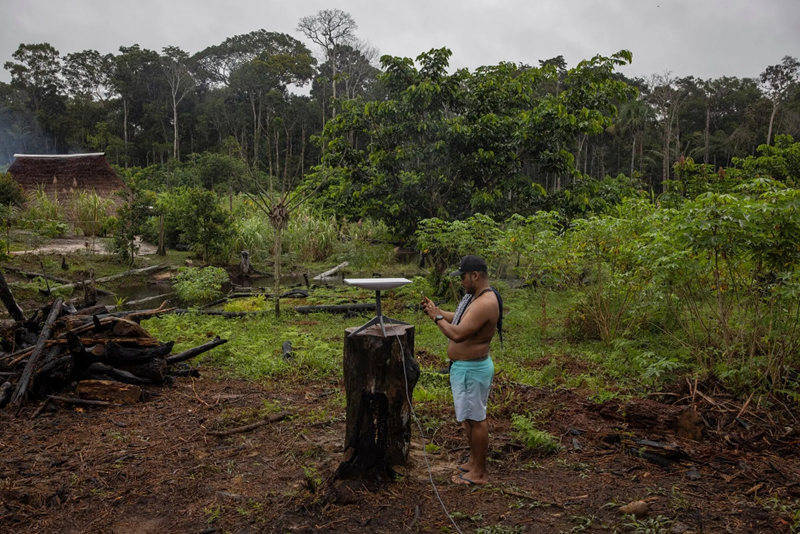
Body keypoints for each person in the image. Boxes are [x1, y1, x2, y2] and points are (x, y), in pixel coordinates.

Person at [421, 255, 500, 485]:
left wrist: (436, 317)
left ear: (475, 275)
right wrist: (436, 311)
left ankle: (480, 473)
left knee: (477, 420)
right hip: (466, 369)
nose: (462, 282)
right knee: (468, 419)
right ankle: (474, 463)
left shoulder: (485, 303)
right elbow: (458, 319)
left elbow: (456, 333)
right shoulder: (475, 298)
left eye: (464, 277)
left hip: (473, 370)